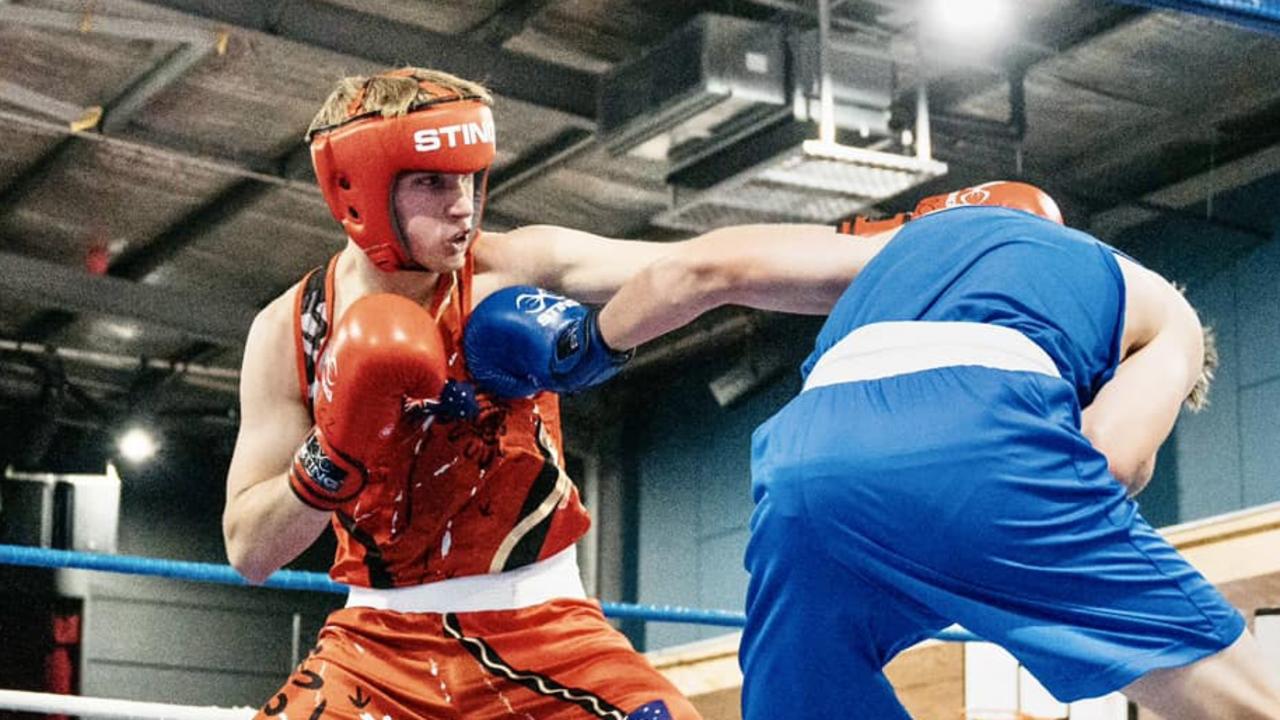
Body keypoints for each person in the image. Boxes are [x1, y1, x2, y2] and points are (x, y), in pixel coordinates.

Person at [502, 182, 1280, 719]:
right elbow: (1113, 458)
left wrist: (588, 350)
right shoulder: (1160, 305)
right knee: (1252, 700)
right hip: (985, 446)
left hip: (805, 463)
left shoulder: (899, 251)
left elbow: (703, 266)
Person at [224, 66, 710, 720]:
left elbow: (692, 268)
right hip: (374, 649)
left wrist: (882, 254)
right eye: (431, 181)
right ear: (355, 186)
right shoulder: (292, 330)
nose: (463, 204)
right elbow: (249, 551)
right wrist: (333, 455)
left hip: (546, 629)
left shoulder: (519, 265)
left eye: (471, 176)